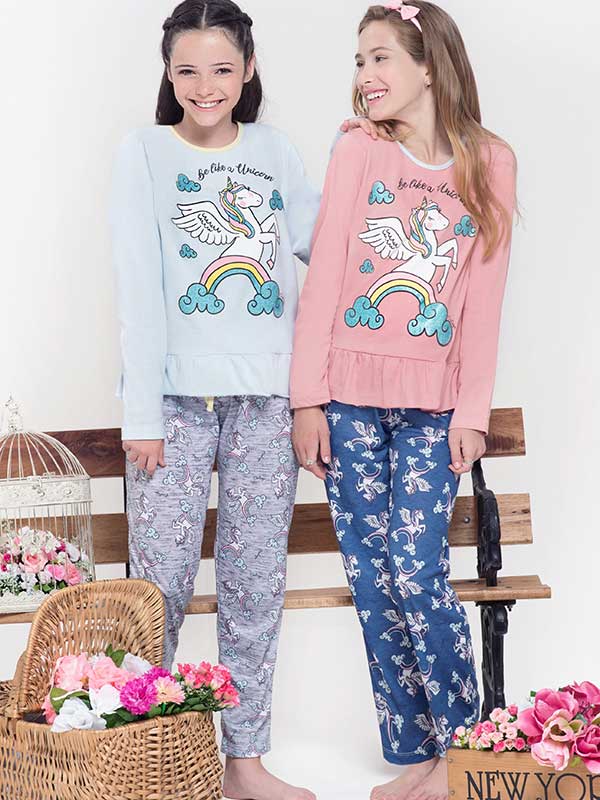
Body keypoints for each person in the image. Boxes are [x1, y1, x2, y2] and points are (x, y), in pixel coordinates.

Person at [290, 3, 517, 798]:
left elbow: (484, 302)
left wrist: (473, 412)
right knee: (374, 580)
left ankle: (462, 751)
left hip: (432, 408)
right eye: (359, 61)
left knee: (418, 574)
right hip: (346, 405)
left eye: (380, 57)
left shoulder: (489, 162)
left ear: (429, 65)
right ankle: (419, 755)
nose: (366, 75)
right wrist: (307, 400)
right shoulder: (358, 150)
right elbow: (324, 277)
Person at [110, 2, 322, 798]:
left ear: (249, 69)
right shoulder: (143, 153)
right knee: (158, 586)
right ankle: (143, 755)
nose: (206, 87)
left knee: (254, 582)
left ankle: (245, 762)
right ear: (168, 74)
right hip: (173, 406)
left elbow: (326, 252)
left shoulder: (275, 151)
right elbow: (138, 290)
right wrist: (141, 416)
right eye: (189, 70)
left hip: (266, 402)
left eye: (223, 69)